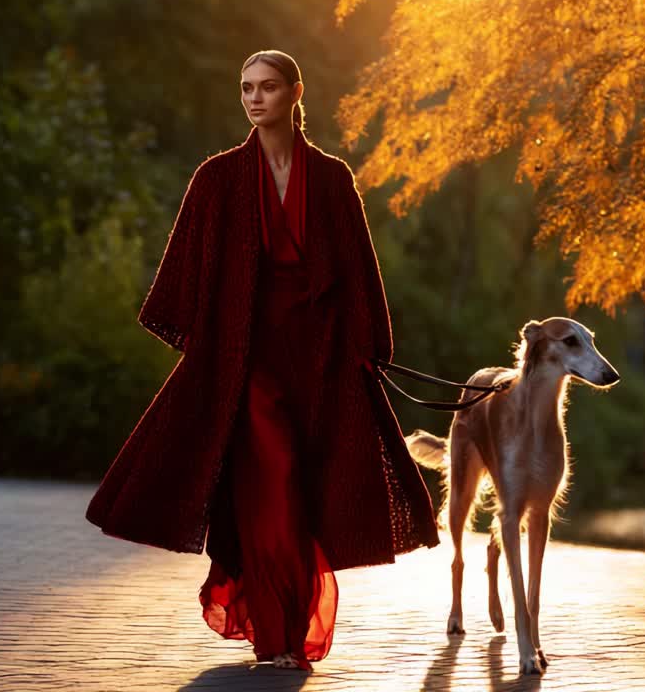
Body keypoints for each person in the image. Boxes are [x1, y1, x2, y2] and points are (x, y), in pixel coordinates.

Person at [84, 50, 441, 671]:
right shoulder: (217, 178)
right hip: (247, 364)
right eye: (246, 87)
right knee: (273, 487)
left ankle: (284, 623)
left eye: (268, 87)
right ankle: (280, 637)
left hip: (322, 361)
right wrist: (211, 354)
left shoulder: (331, 178)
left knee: (310, 492)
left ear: (295, 93)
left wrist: (368, 349)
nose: (254, 98)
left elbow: (358, 268)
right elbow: (186, 272)